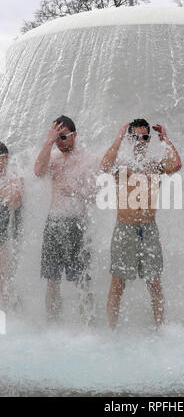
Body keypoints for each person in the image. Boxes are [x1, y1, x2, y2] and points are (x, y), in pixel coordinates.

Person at [101, 119, 182, 329]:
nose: (140, 141)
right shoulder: (122, 165)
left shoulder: (154, 164)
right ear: (129, 139)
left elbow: (176, 165)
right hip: (124, 228)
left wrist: (165, 139)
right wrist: (118, 138)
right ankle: (111, 333)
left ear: (149, 139)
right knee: (118, 284)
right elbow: (104, 165)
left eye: (144, 137)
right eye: (135, 137)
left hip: (149, 229)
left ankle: (161, 330)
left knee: (154, 284)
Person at [34, 116, 98, 324]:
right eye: (56, 138)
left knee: (82, 281)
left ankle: (88, 327)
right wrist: (47, 142)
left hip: (77, 223)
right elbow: (38, 172)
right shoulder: (52, 157)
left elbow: (97, 195)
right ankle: (52, 325)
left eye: (63, 137)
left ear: (74, 135)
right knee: (52, 281)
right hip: (53, 222)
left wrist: (74, 191)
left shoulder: (88, 160)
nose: (60, 142)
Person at [0, 142, 23, 312]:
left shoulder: (14, 176)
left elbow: (16, 202)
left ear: (5, 158)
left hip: (7, 235)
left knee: (4, 276)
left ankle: (10, 313)